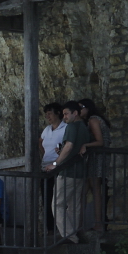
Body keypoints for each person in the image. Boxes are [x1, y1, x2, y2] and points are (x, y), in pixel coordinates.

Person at [46, 102, 91, 243]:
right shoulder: (84, 127)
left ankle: (69, 236)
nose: (64, 117)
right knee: (73, 205)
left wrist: (55, 163)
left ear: (75, 113)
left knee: (57, 204)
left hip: (68, 171)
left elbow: (70, 146)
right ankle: (74, 233)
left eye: (66, 114)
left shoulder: (72, 126)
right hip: (80, 171)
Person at [78, 98, 111, 230]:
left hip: (97, 158)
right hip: (96, 157)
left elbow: (100, 141)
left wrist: (85, 145)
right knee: (85, 190)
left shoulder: (93, 120)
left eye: (81, 107)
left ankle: (98, 223)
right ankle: (79, 224)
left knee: (95, 188)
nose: (79, 110)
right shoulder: (93, 120)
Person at [40, 103, 66, 236]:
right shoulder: (46, 129)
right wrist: (46, 155)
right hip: (46, 167)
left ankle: (62, 229)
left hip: (60, 167)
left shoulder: (65, 128)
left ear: (58, 113)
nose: (47, 116)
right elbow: (40, 142)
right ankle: (50, 228)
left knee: (59, 199)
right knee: (47, 198)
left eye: (50, 113)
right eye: (46, 114)